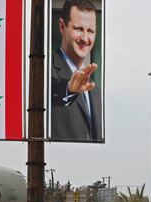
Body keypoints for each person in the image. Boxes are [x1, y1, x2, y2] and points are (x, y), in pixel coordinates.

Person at [51, 0, 102, 141]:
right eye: (79, 29)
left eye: (90, 31)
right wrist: (69, 89)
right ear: (62, 26)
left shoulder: (96, 91)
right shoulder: (44, 70)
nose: (85, 38)